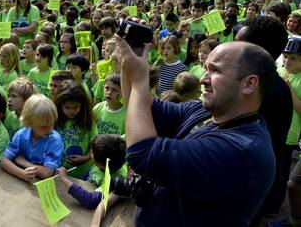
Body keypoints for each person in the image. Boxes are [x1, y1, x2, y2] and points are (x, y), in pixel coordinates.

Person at [117, 36, 277, 226]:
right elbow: (140, 106)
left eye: (215, 70)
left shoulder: (242, 150)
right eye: (206, 68)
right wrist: (130, 60)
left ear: (249, 84)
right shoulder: (204, 110)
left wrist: (139, 79)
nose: (202, 79)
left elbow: (142, 153)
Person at [235, 16, 294, 223]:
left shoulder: (266, 92)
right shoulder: (259, 85)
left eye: (238, 46)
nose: (231, 50)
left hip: (246, 191)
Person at [1, 94, 64, 182]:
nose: (50, 129)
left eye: (52, 124)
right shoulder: (20, 135)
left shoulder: (55, 140)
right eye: (44, 126)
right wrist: (22, 174)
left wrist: (23, 162)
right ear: (30, 122)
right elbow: (4, 161)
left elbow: (47, 172)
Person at [54, 82, 97, 178]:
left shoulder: (88, 121)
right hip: (58, 171)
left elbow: (96, 144)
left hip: (82, 173)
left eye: (75, 107)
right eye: (67, 107)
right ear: (60, 105)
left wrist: (86, 158)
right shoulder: (55, 120)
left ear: (82, 105)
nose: (71, 111)